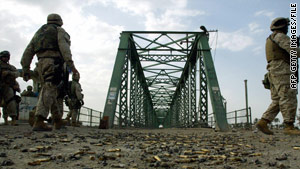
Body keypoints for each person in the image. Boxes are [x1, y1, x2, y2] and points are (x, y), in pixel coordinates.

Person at [21, 13, 79, 131]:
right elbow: (65, 49)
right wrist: (71, 66)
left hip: (40, 64)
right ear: (60, 21)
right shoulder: (59, 31)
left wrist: (25, 68)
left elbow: (28, 50)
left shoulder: (39, 32)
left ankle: (57, 120)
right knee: (50, 89)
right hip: (54, 63)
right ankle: (40, 119)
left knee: (51, 91)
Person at [256, 17, 300, 135]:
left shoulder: (270, 38)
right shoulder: (280, 36)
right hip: (282, 70)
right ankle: (289, 126)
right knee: (288, 96)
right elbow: (295, 51)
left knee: (277, 100)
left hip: (274, 70)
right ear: (283, 27)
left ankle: (263, 121)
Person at [0, 50, 20, 125]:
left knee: (11, 102)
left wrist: (9, 73)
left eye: (6, 57)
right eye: (4, 57)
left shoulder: (10, 67)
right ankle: (5, 120)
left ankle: (13, 119)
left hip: (8, 86)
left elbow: (17, 73)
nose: (5, 59)